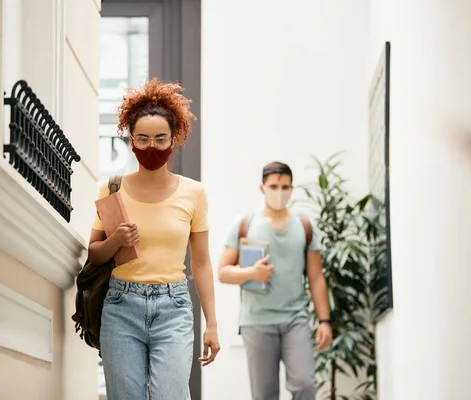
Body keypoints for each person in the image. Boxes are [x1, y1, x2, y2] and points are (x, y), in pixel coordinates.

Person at [88, 79, 220, 400]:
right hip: (121, 306)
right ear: (130, 139)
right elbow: (94, 254)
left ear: (174, 139)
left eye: (160, 139)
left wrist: (212, 324)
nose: (151, 148)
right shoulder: (113, 188)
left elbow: (201, 263)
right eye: (142, 139)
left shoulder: (194, 193)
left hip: (173, 306)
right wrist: (116, 239)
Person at [218, 161, 333, 400]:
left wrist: (324, 320)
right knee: (264, 395)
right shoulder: (245, 225)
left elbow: (316, 277)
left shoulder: (305, 226)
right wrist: (251, 273)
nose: (279, 192)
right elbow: (223, 271)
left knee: (305, 385)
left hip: (295, 319)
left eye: (284, 187)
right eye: (273, 186)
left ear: (292, 189)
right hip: (257, 322)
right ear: (262, 188)